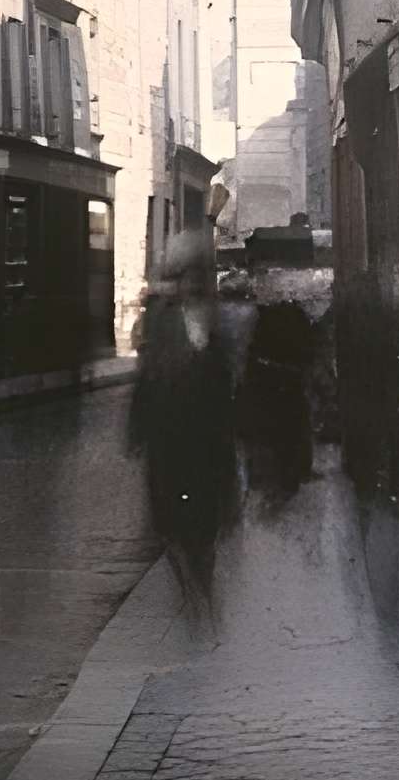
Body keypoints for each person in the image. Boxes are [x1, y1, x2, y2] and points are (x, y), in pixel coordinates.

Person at [126, 229, 239, 610]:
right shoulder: (161, 319)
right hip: (169, 436)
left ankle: (201, 589)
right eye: (186, 273)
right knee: (170, 524)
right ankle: (192, 589)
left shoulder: (218, 321)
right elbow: (147, 377)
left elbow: (226, 382)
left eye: (199, 273)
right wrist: (137, 430)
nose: (193, 281)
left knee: (205, 525)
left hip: (207, 439)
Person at [237, 287, 316, 504]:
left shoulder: (262, 317)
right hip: (289, 383)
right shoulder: (296, 316)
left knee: (273, 433)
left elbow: (253, 352)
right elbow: (308, 350)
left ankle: (275, 480)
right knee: (291, 431)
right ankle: (290, 478)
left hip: (269, 383)